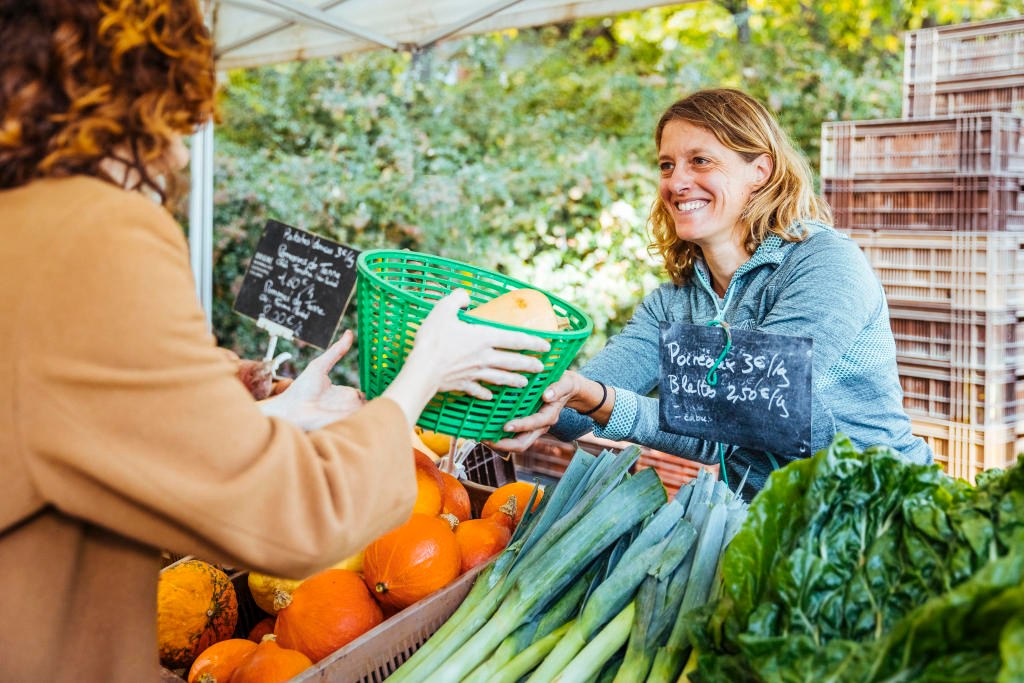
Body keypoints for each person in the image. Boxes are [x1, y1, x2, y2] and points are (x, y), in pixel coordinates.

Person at [0, 2, 548, 680]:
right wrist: (422, 373)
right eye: (177, 121)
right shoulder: (91, 232)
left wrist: (267, 418)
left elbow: (64, 442)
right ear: (143, 84)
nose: (178, 150)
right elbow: (294, 519)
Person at [494, 88, 932, 496]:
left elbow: (744, 413)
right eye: (667, 165)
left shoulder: (823, 263)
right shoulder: (675, 301)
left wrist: (599, 400)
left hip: (879, 509)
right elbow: (575, 404)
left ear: (760, 171)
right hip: (769, 520)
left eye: (700, 161)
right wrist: (504, 395)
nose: (676, 182)